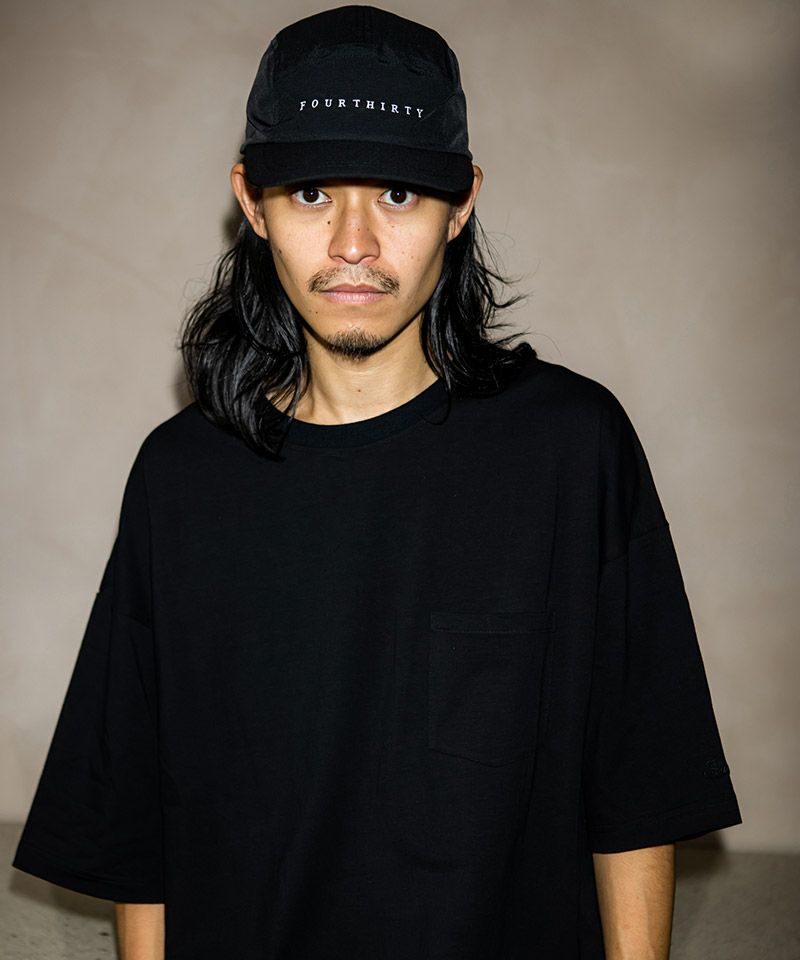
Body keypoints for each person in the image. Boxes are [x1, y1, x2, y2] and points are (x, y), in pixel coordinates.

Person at [11, 5, 742, 959]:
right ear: (252, 202)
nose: (353, 242)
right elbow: (139, 827)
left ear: (461, 204)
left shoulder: (571, 448)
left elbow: (638, 782)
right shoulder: (180, 477)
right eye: (312, 191)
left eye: (398, 193)